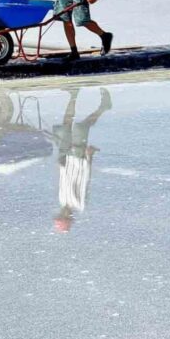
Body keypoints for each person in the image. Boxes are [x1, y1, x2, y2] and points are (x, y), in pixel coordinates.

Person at [52, 87, 112, 232]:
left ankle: (73, 94)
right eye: (62, 216)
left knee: (65, 126)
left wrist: (60, 165)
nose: (61, 213)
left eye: (59, 215)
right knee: (80, 127)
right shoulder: (79, 204)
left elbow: (63, 180)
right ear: (69, 217)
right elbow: (85, 180)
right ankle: (104, 106)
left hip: (64, 159)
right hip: (78, 159)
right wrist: (89, 156)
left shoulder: (62, 200)